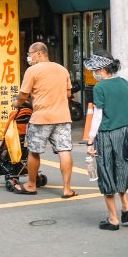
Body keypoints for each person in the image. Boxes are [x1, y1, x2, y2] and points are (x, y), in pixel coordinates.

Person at [13, 42, 75, 197]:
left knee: (34, 152)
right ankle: (67, 189)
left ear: (39, 53)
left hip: (41, 118)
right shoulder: (62, 69)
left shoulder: (32, 71)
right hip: (63, 117)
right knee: (64, 150)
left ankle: (31, 185)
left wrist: (16, 103)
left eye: (30, 53)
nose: (29, 57)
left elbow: (23, 95)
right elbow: (68, 94)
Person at [84, 52, 128, 230]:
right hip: (124, 133)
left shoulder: (100, 88)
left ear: (102, 68)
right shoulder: (124, 83)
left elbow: (97, 117)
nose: (94, 72)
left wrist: (90, 141)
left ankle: (113, 219)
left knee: (107, 173)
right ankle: (126, 205)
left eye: (95, 69)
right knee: (121, 169)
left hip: (106, 134)